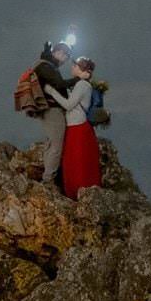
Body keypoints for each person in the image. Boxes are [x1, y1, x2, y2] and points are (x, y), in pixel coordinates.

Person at [44, 56, 103, 199]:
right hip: (76, 126)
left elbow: (69, 105)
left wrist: (52, 92)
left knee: (76, 161)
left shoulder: (82, 85)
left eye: (75, 66)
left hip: (77, 128)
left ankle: (77, 191)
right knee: (77, 160)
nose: (72, 68)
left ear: (81, 69)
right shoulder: (82, 85)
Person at [32, 41, 73, 185]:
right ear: (58, 52)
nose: (66, 59)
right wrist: (79, 80)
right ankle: (48, 179)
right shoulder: (46, 67)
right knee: (56, 144)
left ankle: (47, 175)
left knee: (51, 142)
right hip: (52, 109)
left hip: (46, 108)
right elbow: (60, 84)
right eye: (66, 55)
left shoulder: (46, 65)